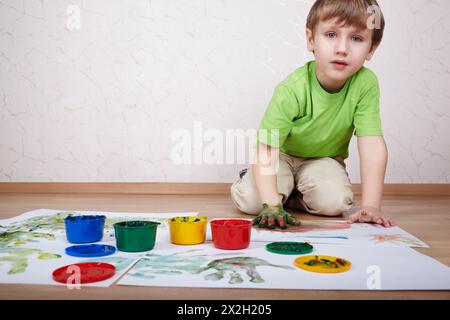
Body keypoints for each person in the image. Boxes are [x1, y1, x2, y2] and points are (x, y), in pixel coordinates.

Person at [230, 0, 394, 229]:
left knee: (335, 203)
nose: (342, 48)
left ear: (372, 48)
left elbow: (372, 143)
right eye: (331, 35)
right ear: (311, 40)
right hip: (281, 157)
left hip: (323, 159)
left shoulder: (366, 84)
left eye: (356, 39)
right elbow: (267, 147)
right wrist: (271, 204)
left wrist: (372, 205)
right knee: (253, 200)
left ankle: (293, 193)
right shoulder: (292, 89)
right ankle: (265, 186)